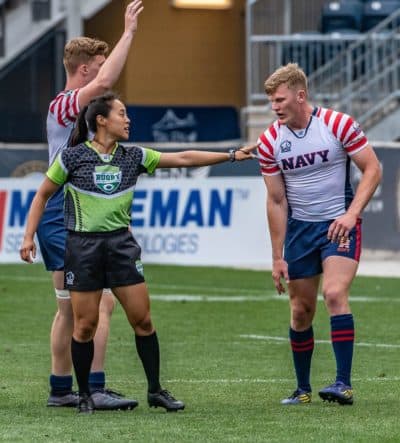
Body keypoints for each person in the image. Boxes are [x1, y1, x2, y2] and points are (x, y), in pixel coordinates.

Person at [20, 91, 255, 413]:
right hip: (83, 247)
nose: (127, 119)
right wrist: (28, 236)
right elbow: (42, 195)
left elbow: (184, 158)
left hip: (121, 246)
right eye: (121, 113)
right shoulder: (72, 157)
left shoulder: (134, 156)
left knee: (142, 321)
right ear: (101, 120)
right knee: (84, 326)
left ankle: (156, 390)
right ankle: (86, 395)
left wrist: (230, 155)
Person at [36, 1, 144, 410]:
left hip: (67, 210)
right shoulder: (67, 103)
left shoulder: (70, 109)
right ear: (84, 71)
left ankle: (63, 388)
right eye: (99, 66)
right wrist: (129, 32)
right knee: (97, 302)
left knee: (70, 306)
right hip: (67, 210)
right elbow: (104, 85)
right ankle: (91, 388)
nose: (106, 74)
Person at [257, 63, 381, 405]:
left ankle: (343, 383)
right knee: (300, 310)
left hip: (338, 225)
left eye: (280, 100)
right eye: (271, 102)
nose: (275, 107)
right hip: (300, 231)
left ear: (301, 95)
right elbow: (276, 200)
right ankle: (302, 389)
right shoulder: (270, 141)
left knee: (336, 293)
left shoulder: (337, 124)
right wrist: (276, 256)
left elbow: (373, 168)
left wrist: (352, 213)